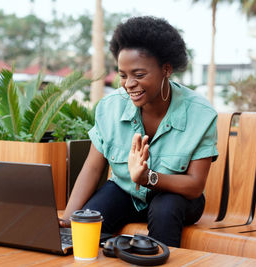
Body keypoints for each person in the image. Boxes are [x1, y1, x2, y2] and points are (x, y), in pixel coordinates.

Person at [60, 16, 218, 247]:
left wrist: (147, 178)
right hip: (125, 192)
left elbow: (194, 186)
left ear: (166, 69)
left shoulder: (200, 113)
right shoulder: (110, 107)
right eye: (123, 75)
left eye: (139, 75)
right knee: (87, 225)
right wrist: (68, 220)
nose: (128, 84)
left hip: (178, 200)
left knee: (165, 208)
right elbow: (92, 168)